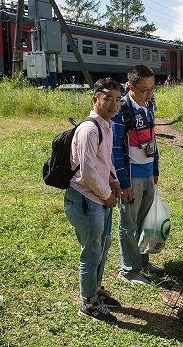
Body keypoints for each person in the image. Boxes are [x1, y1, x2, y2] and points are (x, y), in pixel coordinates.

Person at [64, 78, 124, 323]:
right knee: (91, 251)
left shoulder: (106, 125)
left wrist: (114, 180)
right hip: (86, 199)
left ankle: (96, 290)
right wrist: (107, 195)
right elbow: (88, 171)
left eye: (118, 99)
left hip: (99, 197)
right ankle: (88, 303)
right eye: (108, 98)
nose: (113, 104)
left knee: (103, 245)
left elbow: (104, 160)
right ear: (95, 99)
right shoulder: (90, 129)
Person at [112, 65, 163, 286]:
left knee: (145, 221)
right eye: (144, 90)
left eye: (152, 89)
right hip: (131, 177)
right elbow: (115, 149)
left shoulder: (149, 105)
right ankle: (129, 270)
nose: (149, 94)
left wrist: (155, 168)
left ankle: (142, 262)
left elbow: (152, 138)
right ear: (130, 87)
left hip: (147, 172)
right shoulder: (121, 109)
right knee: (128, 224)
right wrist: (123, 183)